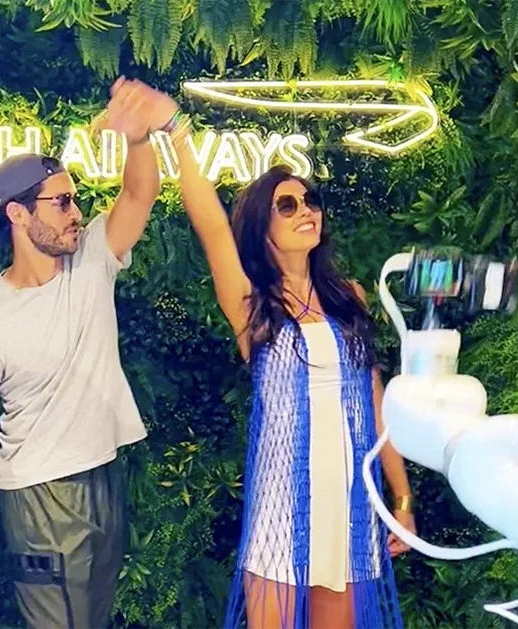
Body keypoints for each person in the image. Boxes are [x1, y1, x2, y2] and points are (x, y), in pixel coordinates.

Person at [164, 113, 418, 628]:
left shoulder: (350, 297)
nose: (306, 211)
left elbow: (375, 400)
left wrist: (403, 496)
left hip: (347, 500)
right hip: (283, 503)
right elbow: (212, 230)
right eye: (288, 205)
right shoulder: (252, 305)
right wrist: (176, 134)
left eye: (310, 201)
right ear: (264, 228)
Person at [0, 78, 181, 629]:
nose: (77, 212)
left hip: (103, 474)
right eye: (62, 202)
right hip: (40, 495)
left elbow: (138, 196)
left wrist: (139, 139)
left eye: (75, 199)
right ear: (18, 216)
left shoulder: (92, 259)